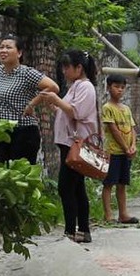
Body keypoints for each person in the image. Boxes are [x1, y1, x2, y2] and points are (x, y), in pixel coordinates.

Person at [38, 49, 101, 243]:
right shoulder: (76, 86)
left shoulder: (85, 87)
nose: (64, 71)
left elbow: (77, 113)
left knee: (66, 188)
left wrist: (57, 100)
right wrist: (55, 107)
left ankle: (70, 231)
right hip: (70, 143)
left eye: (67, 67)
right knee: (76, 187)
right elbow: (68, 112)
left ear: (79, 68)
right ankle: (82, 230)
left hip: (75, 144)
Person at [0, 34, 57, 167]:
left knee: (20, 176)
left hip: (22, 132)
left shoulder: (26, 73)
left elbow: (53, 87)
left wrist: (31, 104)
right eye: (1, 47)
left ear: (19, 53)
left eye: (8, 47)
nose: (3, 50)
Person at [100, 73, 139, 226]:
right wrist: (125, 147)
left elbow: (132, 128)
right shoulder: (107, 108)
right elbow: (114, 130)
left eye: (122, 87)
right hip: (113, 152)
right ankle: (108, 214)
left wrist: (133, 145)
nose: (120, 90)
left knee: (122, 183)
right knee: (109, 183)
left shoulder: (126, 109)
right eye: (116, 87)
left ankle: (123, 214)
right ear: (109, 87)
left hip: (126, 152)